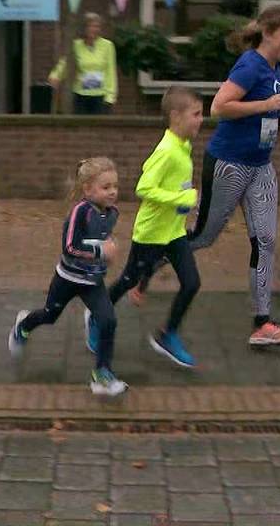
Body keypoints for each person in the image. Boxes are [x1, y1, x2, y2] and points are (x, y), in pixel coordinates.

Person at [160, 6, 280, 346]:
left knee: (265, 241)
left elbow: (263, 115)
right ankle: (143, 267)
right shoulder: (250, 64)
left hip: (261, 166)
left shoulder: (275, 67)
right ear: (268, 34)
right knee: (203, 237)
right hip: (229, 163)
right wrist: (267, 105)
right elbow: (219, 107)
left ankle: (262, 322)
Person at [92, 86, 204, 369]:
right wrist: (182, 198)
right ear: (176, 116)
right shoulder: (167, 150)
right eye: (196, 114)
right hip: (151, 234)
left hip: (174, 233)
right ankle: (96, 314)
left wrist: (185, 200)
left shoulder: (183, 146)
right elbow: (143, 188)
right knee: (128, 280)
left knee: (192, 282)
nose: (201, 120)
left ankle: (168, 335)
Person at [9, 157, 128, 397]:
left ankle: (102, 375)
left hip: (92, 282)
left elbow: (103, 237)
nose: (113, 192)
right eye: (106, 187)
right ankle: (23, 325)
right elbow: (70, 247)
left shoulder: (112, 213)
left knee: (109, 320)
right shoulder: (79, 212)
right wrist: (101, 251)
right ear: (88, 189)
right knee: (50, 315)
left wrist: (110, 248)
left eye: (115, 186)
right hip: (68, 279)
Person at [48, 13, 117, 115]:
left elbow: (110, 71)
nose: (93, 29)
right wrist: (55, 75)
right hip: (81, 94)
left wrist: (110, 96)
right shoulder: (76, 45)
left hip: (101, 95)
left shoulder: (107, 46)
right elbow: (66, 63)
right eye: (90, 26)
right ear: (84, 28)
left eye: (96, 26)